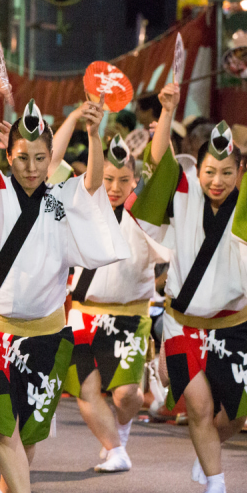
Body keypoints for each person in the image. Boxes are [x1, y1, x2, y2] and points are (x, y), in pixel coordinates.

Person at [0, 81, 129, 493]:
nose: (31, 167)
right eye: (21, 157)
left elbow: (92, 184)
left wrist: (94, 136)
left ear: (50, 155)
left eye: (39, 157)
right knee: (5, 424)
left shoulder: (62, 196)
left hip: (47, 334)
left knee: (28, 434)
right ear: (7, 155)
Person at [132, 82, 247, 493]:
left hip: (233, 325)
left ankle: (209, 448)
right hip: (181, 325)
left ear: (238, 171)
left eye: (227, 172)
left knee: (239, 413)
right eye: (210, 170)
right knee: (198, 408)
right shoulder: (184, 188)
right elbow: (159, 160)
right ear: (200, 168)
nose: (217, 180)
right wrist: (167, 109)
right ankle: (215, 481)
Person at [64, 134, 170, 472]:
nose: (114, 187)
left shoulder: (144, 215)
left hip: (128, 316)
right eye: (108, 178)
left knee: (126, 396)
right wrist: (91, 131)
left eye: (124, 180)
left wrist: (166, 117)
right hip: (82, 314)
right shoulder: (78, 208)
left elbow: (160, 169)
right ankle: (115, 449)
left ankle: (121, 429)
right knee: (86, 389)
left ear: (135, 181)